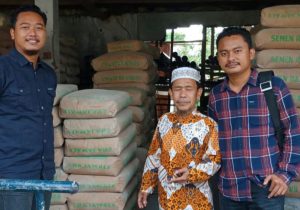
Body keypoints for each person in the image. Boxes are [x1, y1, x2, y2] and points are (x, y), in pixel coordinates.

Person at [208, 27, 300, 210]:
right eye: (224, 53)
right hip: (229, 188)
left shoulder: (273, 87)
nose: (230, 58)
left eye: (237, 51)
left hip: (266, 188)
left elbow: (293, 132)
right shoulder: (216, 95)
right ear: (218, 58)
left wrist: (284, 174)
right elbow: (211, 141)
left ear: (251, 53)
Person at [138, 67, 221, 210]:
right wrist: (146, 187)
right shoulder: (164, 120)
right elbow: (154, 156)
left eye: (189, 88)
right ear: (170, 93)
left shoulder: (209, 125)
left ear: (199, 93)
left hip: (196, 202)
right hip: (165, 200)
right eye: (177, 89)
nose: (183, 94)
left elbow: (215, 161)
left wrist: (192, 174)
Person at [0, 5, 57, 210]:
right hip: (11, 174)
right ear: (13, 33)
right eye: (25, 27)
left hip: (44, 172)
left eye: (39, 27)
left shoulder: (48, 74)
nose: (33, 33)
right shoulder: (3, 69)